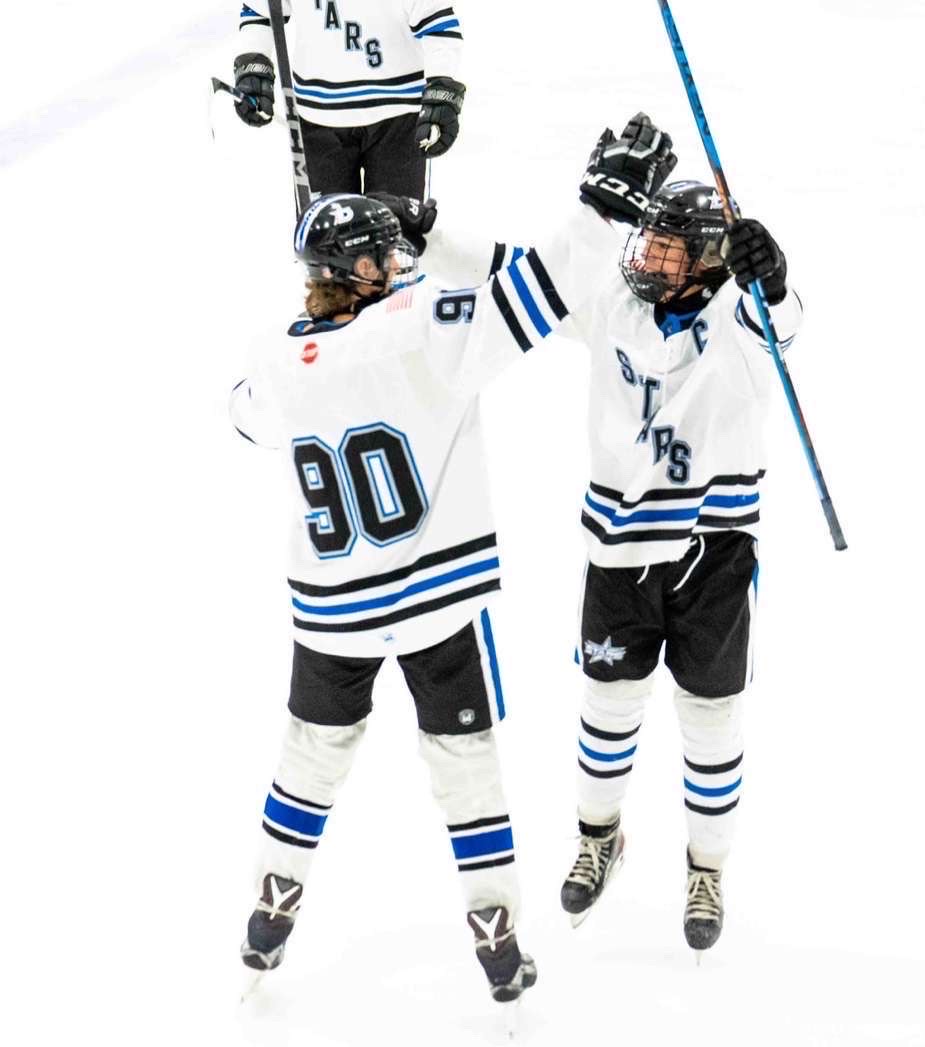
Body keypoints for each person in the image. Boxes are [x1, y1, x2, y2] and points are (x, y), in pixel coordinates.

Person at [228, 114, 675, 1004]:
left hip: (331, 609)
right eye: (385, 258)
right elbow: (541, 292)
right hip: (433, 601)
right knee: (464, 759)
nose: (401, 265)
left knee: (309, 756)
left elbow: (248, 415)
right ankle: (496, 937)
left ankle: (268, 913)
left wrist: (322, 330)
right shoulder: (425, 321)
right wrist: (600, 207)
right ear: (359, 271)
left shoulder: (275, 357)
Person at [419, 173, 803, 955]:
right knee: (606, 707)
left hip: (714, 554)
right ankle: (599, 836)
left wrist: (775, 278)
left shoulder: (739, 315)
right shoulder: (614, 305)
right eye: (648, 240)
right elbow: (512, 266)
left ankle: (706, 868)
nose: (647, 257)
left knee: (709, 719)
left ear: (704, 261)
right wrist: (426, 233)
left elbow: (782, 327)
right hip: (618, 551)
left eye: (666, 248)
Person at [231, 1, 466, 198]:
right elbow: (260, 11)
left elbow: (438, 25)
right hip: (318, 120)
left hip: (398, 121)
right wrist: (254, 63)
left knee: (398, 238)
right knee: (328, 243)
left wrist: (441, 86)